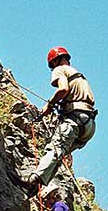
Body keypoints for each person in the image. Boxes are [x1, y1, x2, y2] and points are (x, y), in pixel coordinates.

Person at [14, 46, 97, 197]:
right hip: (89, 125)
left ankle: (33, 180)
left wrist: (50, 104)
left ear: (54, 62)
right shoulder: (78, 75)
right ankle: (36, 186)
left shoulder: (60, 69)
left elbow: (63, 89)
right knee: (59, 156)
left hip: (75, 119)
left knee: (55, 149)